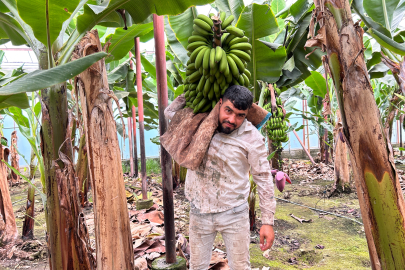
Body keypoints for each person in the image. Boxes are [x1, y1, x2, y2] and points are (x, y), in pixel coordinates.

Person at [164, 85, 276, 270]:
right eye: (228, 111)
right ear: (220, 103)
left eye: (240, 115)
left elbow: (263, 178)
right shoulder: (199, 123)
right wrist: (196, 88)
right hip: (199, 210)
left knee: (240, 267)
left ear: (248, 114)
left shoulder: (251, 138)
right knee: (197, 267)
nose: (232, 120)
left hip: (234, 214)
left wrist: (267, 222)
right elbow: (170, 113)